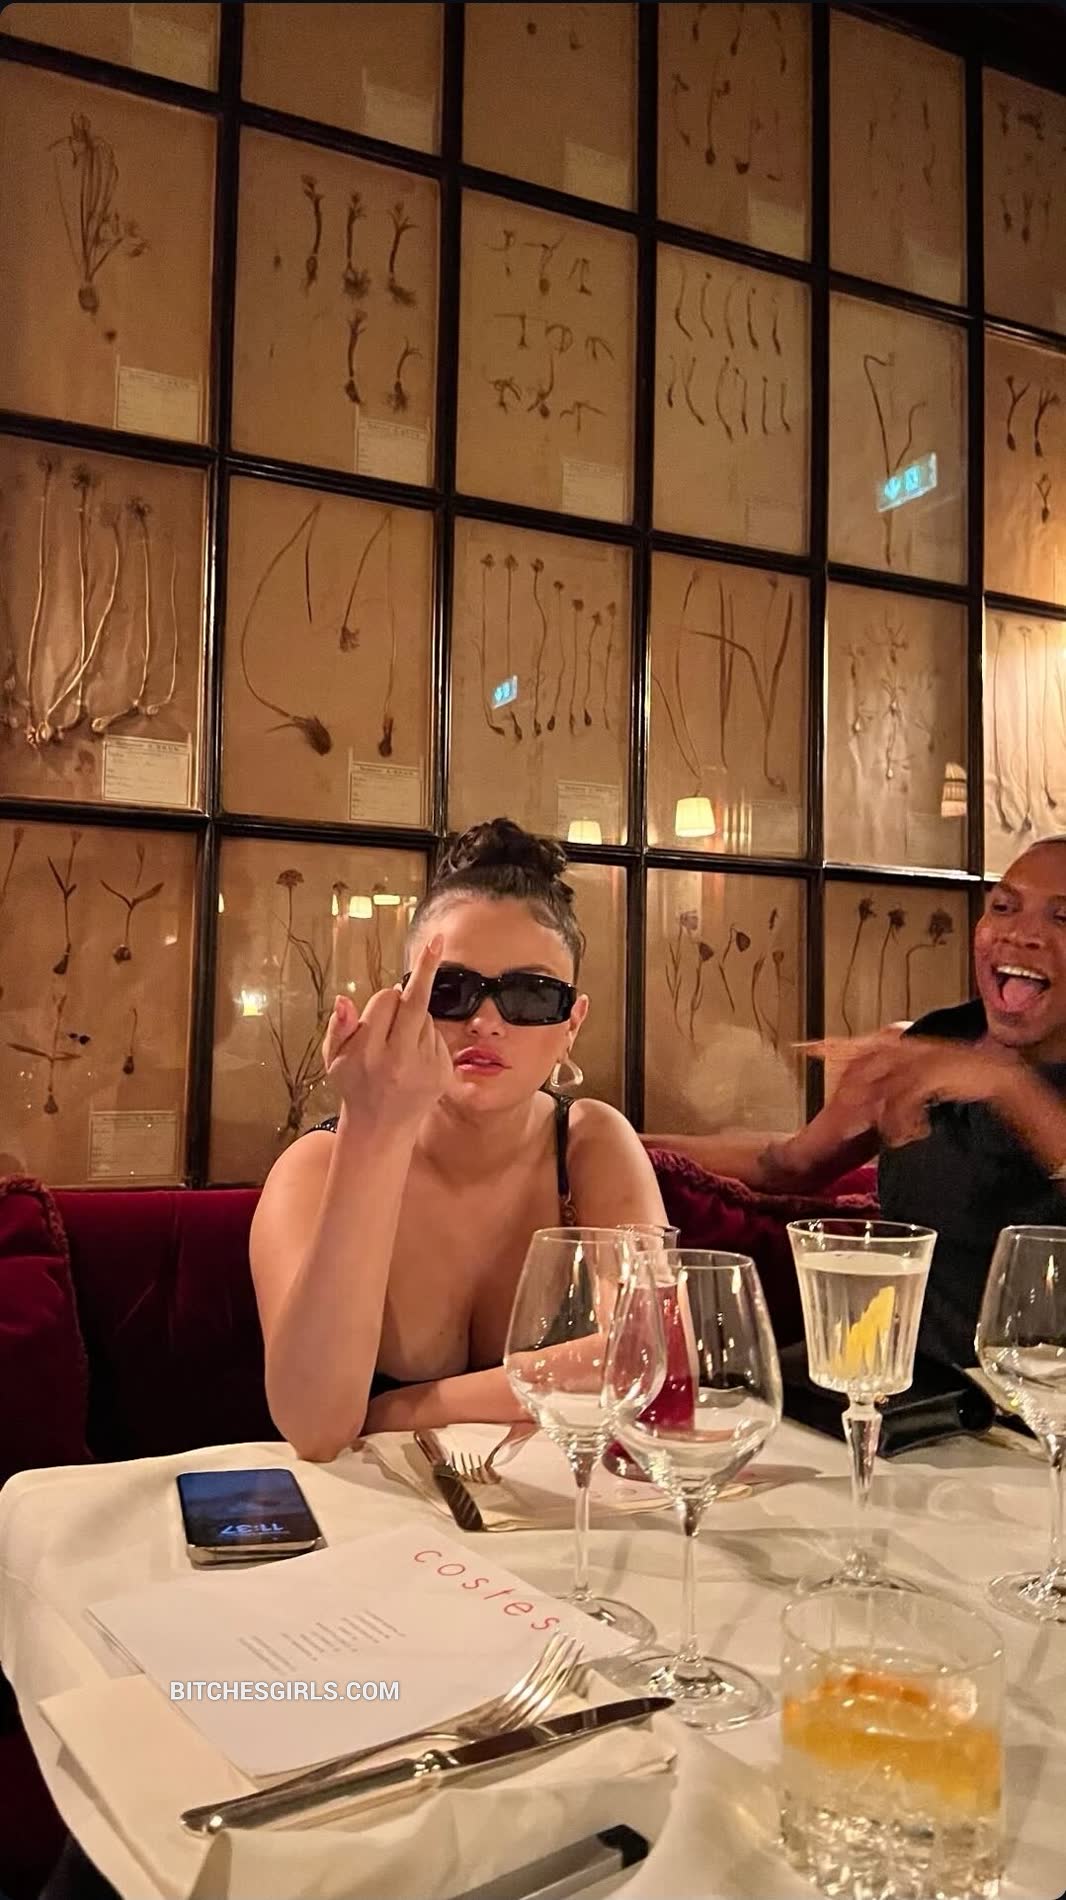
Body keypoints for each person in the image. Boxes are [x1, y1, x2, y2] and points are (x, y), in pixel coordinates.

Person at [251, 818, 667, 1459]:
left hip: (557, 1504)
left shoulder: (592, 1141)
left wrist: (399, 1409)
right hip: (373, 1509)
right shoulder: (316, 1166)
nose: (486, 1021)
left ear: (572, 1024)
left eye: (531, 995)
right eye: (451, 990)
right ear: (405, 1002)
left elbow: (648, 1353)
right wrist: (374, 1128)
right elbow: (316, 1426)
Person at [646, 838, 1066, 1369]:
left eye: (1062, 918)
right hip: (888, 1370)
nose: (1020, 933)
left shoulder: (987, 1073)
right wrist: (613, 1139)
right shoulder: (937, 1041)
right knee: (713, 1383)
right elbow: (786, 1164)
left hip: (1028, 1395)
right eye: (1003, 907)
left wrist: (1012, 1090)